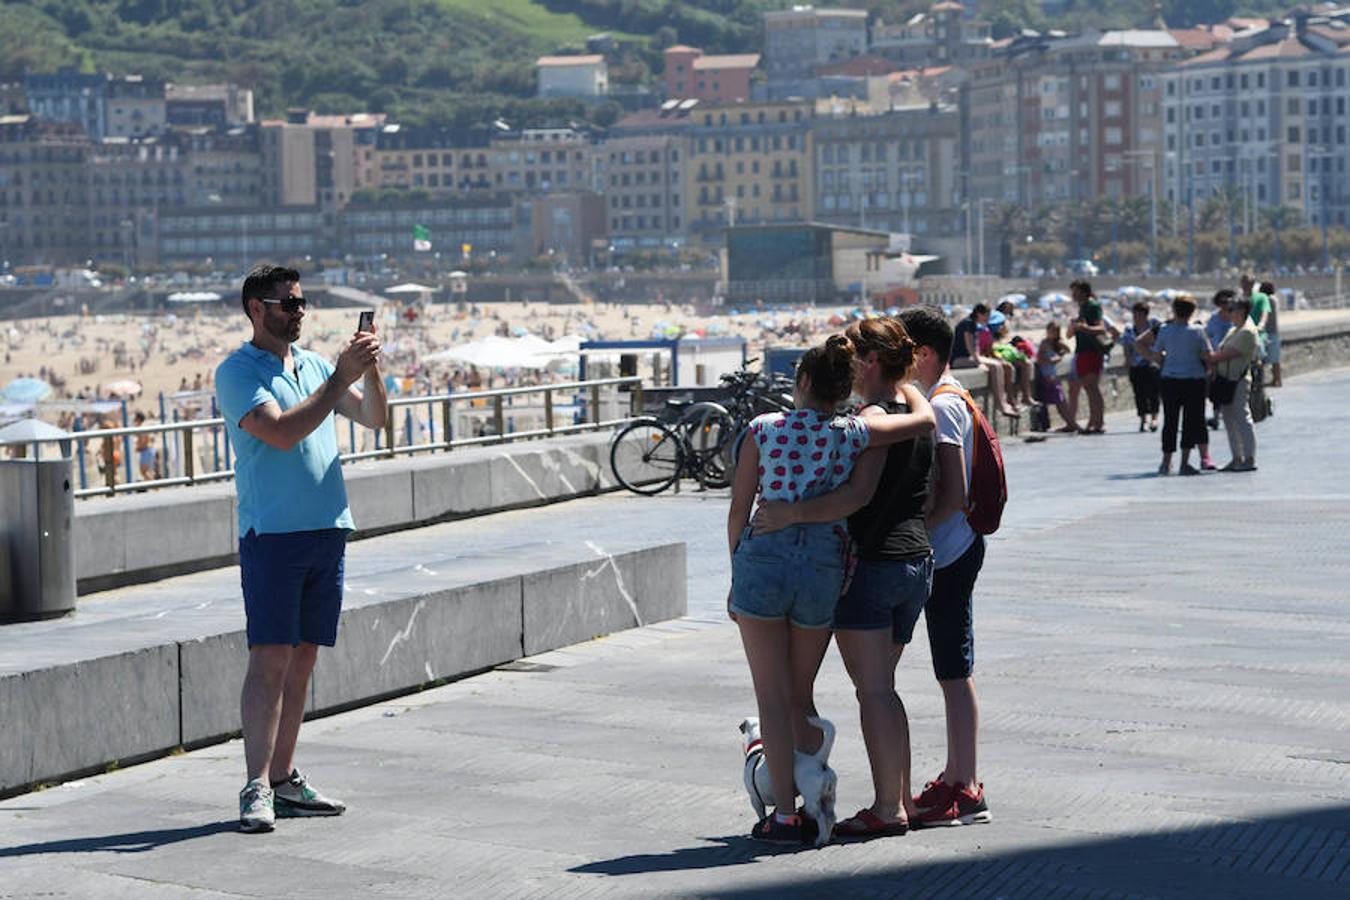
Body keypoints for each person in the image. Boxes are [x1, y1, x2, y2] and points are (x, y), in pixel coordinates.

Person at [727, 334, 935, 844]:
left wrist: (738, 576)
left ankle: (785, 815)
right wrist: (909, 388)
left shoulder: (762, 429)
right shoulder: (854, 433)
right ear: (844, 388)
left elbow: (739, 508)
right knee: (797, 693)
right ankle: (812, 752)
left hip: (765, 560)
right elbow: (922, 422)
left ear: (800, 382)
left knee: (770, 698)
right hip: (823, 568)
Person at [215, 264, 389, 834]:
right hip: (273, 534)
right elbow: (282, 432)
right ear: (256, 310)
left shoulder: (313, 365)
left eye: (302, 301)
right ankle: (256, 785)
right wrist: (340, 379)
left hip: (326, 528)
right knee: (270, 656)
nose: (299, 311)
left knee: (305, 656)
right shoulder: (238, 371)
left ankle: (285, 777)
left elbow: (374, 420)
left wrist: (371, 373)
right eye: (287, 303)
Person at [899, 306, 992, 827]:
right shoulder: (953, 396)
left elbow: (953, 492)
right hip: (958, 545)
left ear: (924, 354)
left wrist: (920, 530)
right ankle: (959, 775)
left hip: (951, 550)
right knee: (952, 667)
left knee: (954, 669)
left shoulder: (944, 405)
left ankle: (968, 786)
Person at [1138, 295, 1212, 475]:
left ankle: (1166, 463)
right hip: (1194, 380)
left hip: (1170, 379)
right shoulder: (1197, 331)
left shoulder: (1164, 330)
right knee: (1190, 421)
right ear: (1192, 312)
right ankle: (1184, 463)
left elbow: (1154, 353)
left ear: (1174, 310)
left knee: (1170, 421)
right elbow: (1207, 355)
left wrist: (1162, 359)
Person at [1206, 296, 1260, 471]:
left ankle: (1249, 458)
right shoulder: (1235, 329)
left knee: (1242, 418)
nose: (1229, 313)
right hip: (1226, 380)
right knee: (1229, 420)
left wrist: (1206, 356)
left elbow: (1225, 354)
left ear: (1242, 311)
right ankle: (1236, 458)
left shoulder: (1247, 332)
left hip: (1237, 380)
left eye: (1232, 309)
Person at [1065, 280, 1115, 434]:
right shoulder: (1083, 308)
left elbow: (1100, 327)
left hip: (1091, 351)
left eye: (1076, 291)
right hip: (1083, 351)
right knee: (1089, 388)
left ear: (1084, 292)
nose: (1073, 294)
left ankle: (1098, 422)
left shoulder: (1092, 306)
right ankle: (1094, 422)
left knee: (1092, 388)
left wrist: (1084, 327)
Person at [949, 304, 1017, 417]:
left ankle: (1005, 401)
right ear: (979, 314)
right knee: (995, 367)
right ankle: (1000, 404)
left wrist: (983, 359)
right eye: (986, 316)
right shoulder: (968, 323)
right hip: (958, 360)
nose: (988, 319)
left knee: (1000, 365)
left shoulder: (974, 324)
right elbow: (970, 346)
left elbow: (975, 349)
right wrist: (979, 363)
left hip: (968, 357)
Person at [1119, 301, 1161, 433]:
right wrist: (1127, 360)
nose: (1136, 316)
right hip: (1136, 365)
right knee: (1139, 393)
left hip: (1152, 363)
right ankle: (1143, 419)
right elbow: (1126, 344)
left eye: (1139, 314)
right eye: (1135, 314)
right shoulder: (1129, 328)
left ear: (1145, 314)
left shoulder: (1153, 325)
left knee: (1154, 391)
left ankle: (1154, 418)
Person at [1036, 322, 1077, 432]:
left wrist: (1060, 354)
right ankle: (1071, 423)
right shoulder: (1044, 343)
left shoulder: (1056, 343)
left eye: (1054, 331)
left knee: (1061, 402)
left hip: (1053, 376)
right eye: (1050, 331)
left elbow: (1068, 349)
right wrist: (1050, 360)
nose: (1052, 333)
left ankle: (1071, 423)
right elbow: (1039, 360)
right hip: (1047, 376)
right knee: (1060, 402)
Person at [989, 313, 1034, 408]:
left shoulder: (1004, 339)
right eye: (1005, 324)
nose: (1007, 327)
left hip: (1006, 360)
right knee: (1009, 367)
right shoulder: (990, 338)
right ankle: (1010, 398)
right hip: (1000, 361)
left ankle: (1026, 396)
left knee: (1026, 364)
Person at [1204, 291, 1234, 430]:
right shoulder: (1214, 318)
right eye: (1222, 302)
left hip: (1233, 357)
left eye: (1227, 302)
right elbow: (1208, 335)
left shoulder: (1236, 317)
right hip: (1216, 357)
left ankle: (1231, 416)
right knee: (1215, 388)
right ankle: (1216, 417)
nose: (1225, 305)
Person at [1259, 280, 1281, 387]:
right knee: (1275, 359)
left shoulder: (1268, 299)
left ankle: (1274, 379)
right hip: (1274, 331)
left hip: (1269, 331)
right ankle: (1277, 379)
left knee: (1264, 358)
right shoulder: (1274, 299)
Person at [133, 411, 158, 480]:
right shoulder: (144, 426)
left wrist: (138, 448)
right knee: (149, 472)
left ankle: (156, 489)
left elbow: (145, 441)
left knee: (144, 472)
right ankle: (156, 489)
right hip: (149, 451)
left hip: (146, 451)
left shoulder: (141, 427)